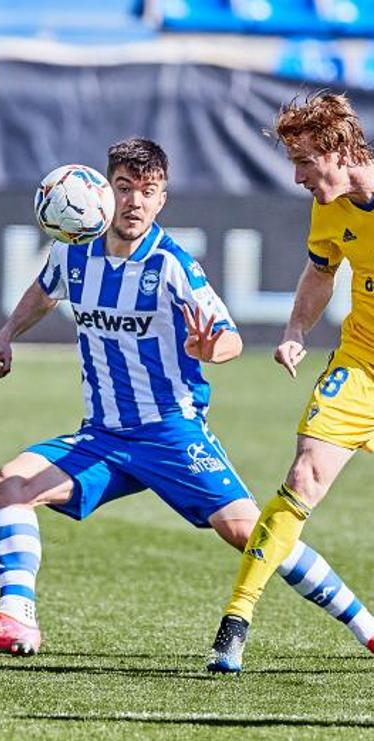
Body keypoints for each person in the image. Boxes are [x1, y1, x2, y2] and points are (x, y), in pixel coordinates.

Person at [0, 137, 374, 659]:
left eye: (148, 191)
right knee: (7, 486)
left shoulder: (171, 264)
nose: (135, 202)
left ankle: (365, 625)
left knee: (249, 532)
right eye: (125, 188)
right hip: (102, 435)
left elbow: (229, 336)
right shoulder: (73, 250)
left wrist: (213, 348)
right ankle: (16, 618)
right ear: (105, 190)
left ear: (162, 199)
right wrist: (5, 336)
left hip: (172, 433)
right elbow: (44, 289)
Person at [208, 91, 374, 673]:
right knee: (302, 475)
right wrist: (296, 328)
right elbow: (320, 270)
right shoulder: (330, 209)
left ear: (337, 148)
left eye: (304, 161)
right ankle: (236, 621)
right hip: (361, 367)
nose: (298, 177)